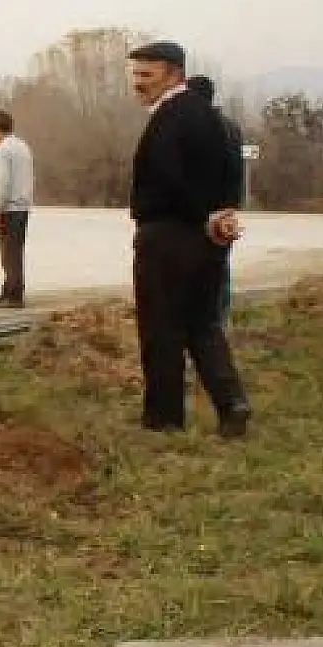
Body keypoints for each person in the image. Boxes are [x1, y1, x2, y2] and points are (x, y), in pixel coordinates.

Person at [127, 41, 251, 438]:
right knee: (202, 324)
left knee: (161, 328)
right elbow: (233, 172)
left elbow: (167, 176)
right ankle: (232, 402)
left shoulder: (171, 117)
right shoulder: (217, 120)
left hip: (169, 235)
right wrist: (221, 214)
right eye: (136, 74)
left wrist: (201, 214)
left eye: (147, 75)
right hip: (209, 238)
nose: (138, 83)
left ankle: (164, 419)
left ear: (175, 74)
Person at [186, 74, 244, 327]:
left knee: (190, 270)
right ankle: (219, 322)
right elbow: (236, 171)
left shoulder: (194, 127)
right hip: (225, 210)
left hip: (200, 211)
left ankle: (199, 327)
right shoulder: (231, 126)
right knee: (219, 268)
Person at [0, 111, 33, 307]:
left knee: (8, 252)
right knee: (16, 250)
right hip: (22, 206)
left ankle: (14, 295)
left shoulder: (3, 150)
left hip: (8, 207)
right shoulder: (23, 146)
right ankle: (11, 289)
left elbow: (1, 181)